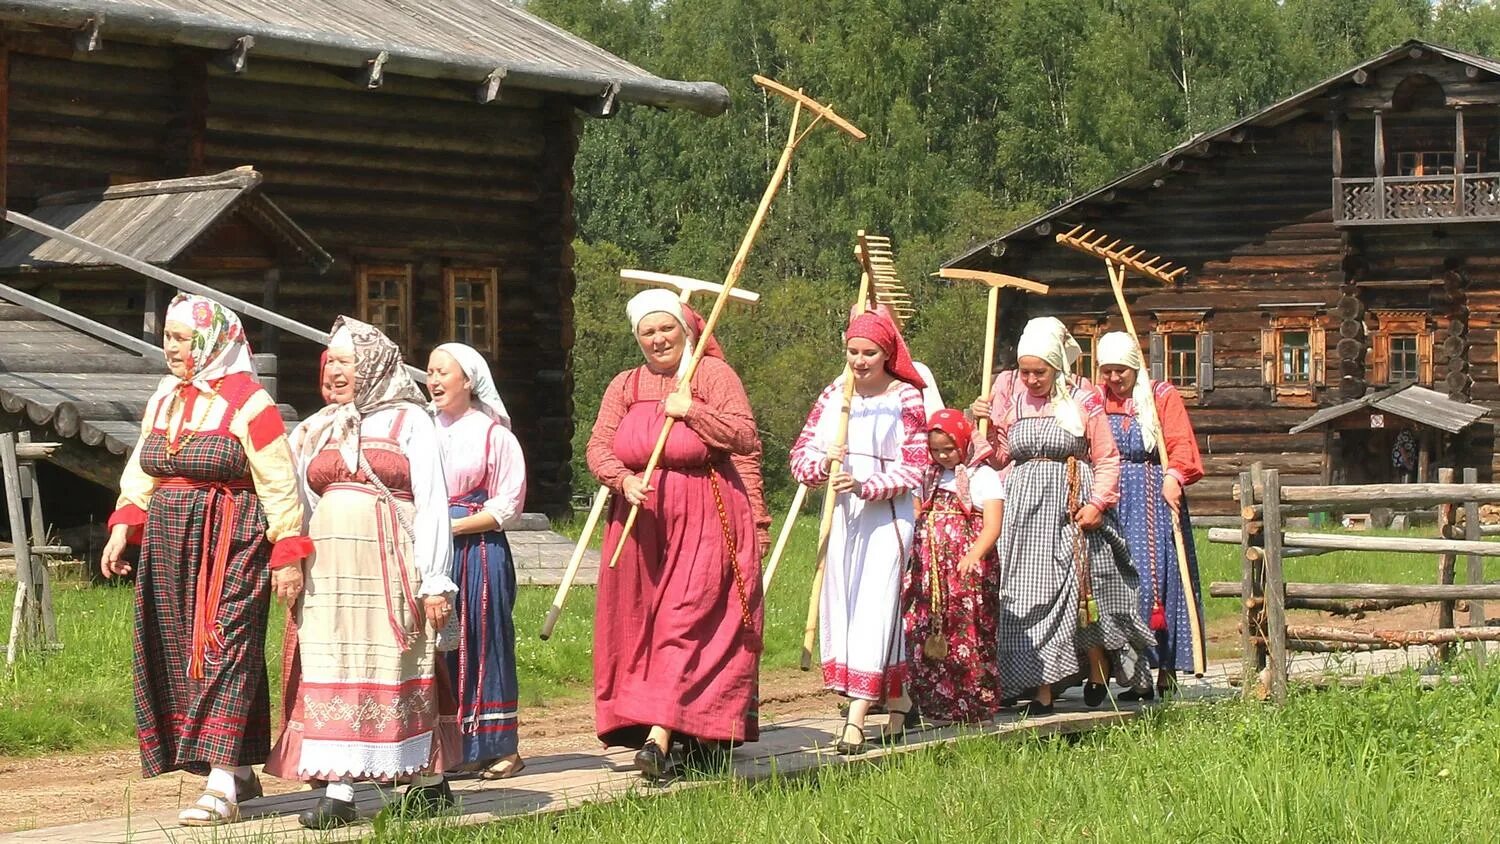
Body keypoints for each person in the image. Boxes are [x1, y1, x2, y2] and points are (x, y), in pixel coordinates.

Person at [100, 294, 310, 826]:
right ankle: (238, 767)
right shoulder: (166, 397)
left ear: (213, 341)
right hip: (170, 542)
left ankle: (221, 787)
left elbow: (279, 482)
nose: (171, 348)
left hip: (231, 541)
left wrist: (287, 551)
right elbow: (143, 466)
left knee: (223, 646)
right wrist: (125, 524)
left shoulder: (250, 402)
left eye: (181, 339)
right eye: (168, 337)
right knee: (179, 649)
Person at [265, 317, 458, 829]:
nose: (334, 370)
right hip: (328, 571)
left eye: (346, 361)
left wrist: (435, 579)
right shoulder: (316, 427)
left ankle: (426, 780)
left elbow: (435, 503)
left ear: (372, 365)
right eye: (330, 361)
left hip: (388, 563)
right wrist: (293, 560)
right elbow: (301, 504)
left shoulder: (411, 422)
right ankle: (340, 788)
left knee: (391, 663)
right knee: (332, 666)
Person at [586, 289, 764, 781]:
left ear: (685, 331)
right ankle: (673, 728)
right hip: (640, 519)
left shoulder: (711, 375)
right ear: (638, 338)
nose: (658, 338)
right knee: (640, 625)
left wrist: (692, 411)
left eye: (666, 328)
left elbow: (745, 436)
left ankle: (660, 738)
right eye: (648, 331)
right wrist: (622, 479)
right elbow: (598, 446)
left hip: (705, 510)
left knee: (682, 623)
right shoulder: (624, 385)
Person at [983, 317, 1153, 716]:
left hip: (1068, 504)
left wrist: (1097, 503)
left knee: (1074, 591)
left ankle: (1081, 676)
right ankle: (1030, 684)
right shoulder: (1011, 395)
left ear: (1057, 365)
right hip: (1023, 508)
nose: (1030, 379)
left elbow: (1107, 456)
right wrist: (985, 430)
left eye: (1039, 372)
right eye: (1025, 371)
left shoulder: (1082, 397)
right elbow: (999, 456)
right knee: (1021, 593)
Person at [789, 307, 928, 753]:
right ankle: (900, 701)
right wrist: (823, 464)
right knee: (844, 609)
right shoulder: (834, 395)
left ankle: (855, 718)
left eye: (869, 352)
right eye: (853, 351)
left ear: (887, 353)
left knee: (876, 606)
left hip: (886, 516)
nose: (860, 361)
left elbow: (918, 466)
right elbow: (800, 456)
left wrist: (868, 484)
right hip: (841, 515)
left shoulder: (906, 397)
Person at [426, 342, 528, 777]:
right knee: (437, 648)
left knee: (483, 642)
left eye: (442, 372)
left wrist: (451, 527)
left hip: (479, 552)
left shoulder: (494, 434)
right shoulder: (423, 430)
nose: (433, 380)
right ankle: (453, 746)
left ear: (468, 380)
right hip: (433, 553)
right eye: (429, 372)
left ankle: (502, 746)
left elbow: (509, 504)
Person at [1096, 332, 1206, 697]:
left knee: (1157, 580)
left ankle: (1167, 670)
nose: (1114, 379)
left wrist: (1175, 476)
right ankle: (1135, 674)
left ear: (1135, 368)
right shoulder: (1098, 401)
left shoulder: (1160, 396)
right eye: (1107, 371)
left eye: (1121, 371)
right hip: (1114, 495)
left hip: (1154, 496)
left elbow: (1180, 444)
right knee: (1118, 585)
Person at [902, 409, 1005, 723]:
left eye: (949, 448)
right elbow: (917, 510)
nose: (943, 456)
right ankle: (926, 699)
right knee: (925, 624)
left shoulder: (981, 475)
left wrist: (974, 554)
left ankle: (968, 700)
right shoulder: (928, 475)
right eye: (936, 450)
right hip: (928, 564)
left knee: (964, 626)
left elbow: (992, 524)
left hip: (965, 567)